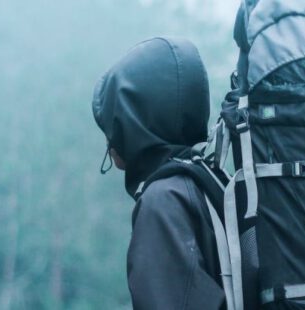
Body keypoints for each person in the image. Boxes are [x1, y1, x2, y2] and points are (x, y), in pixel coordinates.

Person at [92, 37, 226, 310]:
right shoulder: (211, 181)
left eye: (114, 122)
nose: (109, 140)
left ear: (133, 123)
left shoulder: (162, 202)